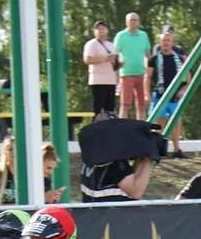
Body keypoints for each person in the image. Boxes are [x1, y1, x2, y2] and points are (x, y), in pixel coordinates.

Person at [79, 113, 157, 203]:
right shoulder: (112, 162)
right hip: (110, 214)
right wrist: (149, 159)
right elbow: (136, 192)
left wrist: (141, 157)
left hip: (92, 212)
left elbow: (128, 176)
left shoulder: (92, 156)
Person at [147, 30, 188, 158]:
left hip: (175, 97)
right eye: (163, 40)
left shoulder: (180, 59)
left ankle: (177, 150)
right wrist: (147, 94)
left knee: (176, 122)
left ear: (172, 43)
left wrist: (183, 90)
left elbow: (188, 77)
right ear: (160, 42)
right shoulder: (154, 59)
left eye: (168, 40)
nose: (165, 43)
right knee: (158, 124)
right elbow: (148, 78)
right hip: (160, 95)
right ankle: (156, 150)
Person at [114, 13, 152, 120]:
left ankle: (142, 129)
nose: (133, 22)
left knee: (141, 104)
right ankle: (123, 129)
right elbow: (115, 55)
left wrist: (150, 72)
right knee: (125, 104)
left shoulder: (144, 35)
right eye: (131, 20)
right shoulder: (121, 36)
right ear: (126, 22)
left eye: (135, 20)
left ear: (139, 22)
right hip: (126, 74)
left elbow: (148, 54)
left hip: (141, 74)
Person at [83, 20, 119, 116]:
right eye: (98, 28)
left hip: (111, 81)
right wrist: (104, 59)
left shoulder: (111, 45)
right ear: (94, 31)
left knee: (110, 110)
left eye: (103, 28)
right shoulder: (91, 44)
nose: (100, 30)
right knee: (97, 110)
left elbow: (115, 63)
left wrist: (118, 63)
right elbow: (87, 60)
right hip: (98, 81)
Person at [0, 137, 17, 203]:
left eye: (16, 149)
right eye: (10, 149)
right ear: (5, 152)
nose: (13, 152)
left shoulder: (26, 175)